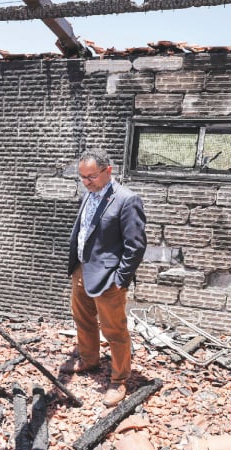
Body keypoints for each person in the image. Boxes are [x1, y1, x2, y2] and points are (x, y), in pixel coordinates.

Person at [63, 150, 147, 407]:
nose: (87, 182)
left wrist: (121, 278)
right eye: (82, 177)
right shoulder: (88, 195)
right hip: (82, 269)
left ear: (108, 171)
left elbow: (136, 245)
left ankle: (118, 379)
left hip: (109, 277)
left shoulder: (126, 200)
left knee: (114, 330)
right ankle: (89, 359)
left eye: (91, 176)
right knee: (83, 318)